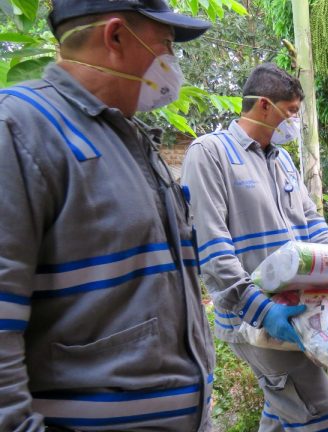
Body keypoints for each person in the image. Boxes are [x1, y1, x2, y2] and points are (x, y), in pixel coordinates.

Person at [0, 1, 215, 431]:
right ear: (116, 36)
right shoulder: (20, 129)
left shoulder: (129, 136)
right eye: (166, 44)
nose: (171, 61)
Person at [181, 63, 328, 432]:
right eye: (291, 111)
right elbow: (211, 245)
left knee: (283, 412)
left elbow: (310, 219)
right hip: (252, 319)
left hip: (294, 309)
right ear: (263, 105)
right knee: (326, 418)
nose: (294, 122)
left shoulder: (282, 159)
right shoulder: (210, 153)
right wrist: (261, 309)